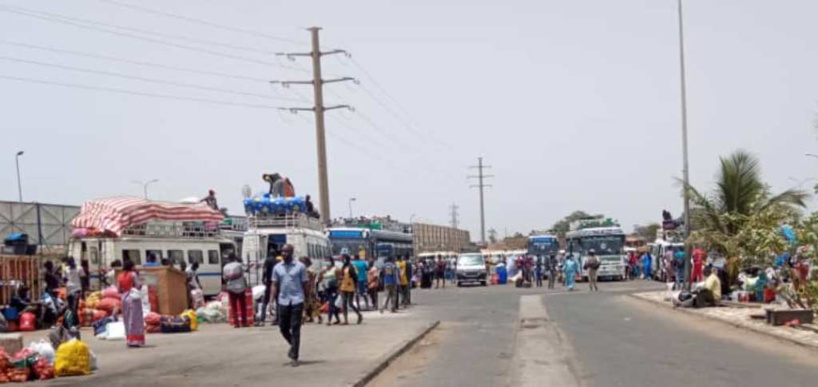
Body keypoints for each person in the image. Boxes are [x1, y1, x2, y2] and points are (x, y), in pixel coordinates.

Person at [272, 245, 308, 367]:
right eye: (282, 251)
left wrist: (307, 300)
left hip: (297, 300)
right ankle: (293, 346)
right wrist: (271, 300)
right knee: (283, 327)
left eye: (286, 251)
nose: (284, 253)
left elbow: (305, 284)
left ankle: (294, 356)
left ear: (291, 253)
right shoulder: (277, 268)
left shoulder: (300, 267)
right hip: (283, 300)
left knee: (295, 328)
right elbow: (274, 284)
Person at [117, 259, 145, 347]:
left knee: (127, 318)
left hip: (124, 298)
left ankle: (129, 339)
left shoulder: (120, 276)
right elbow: (138, 286)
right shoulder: (133, 274)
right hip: (133, 298)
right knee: (135, 319)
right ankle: (136, 340)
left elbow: (119, 289)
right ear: (132, 267)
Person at [222, 254, 248, 328]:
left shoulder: (225, 267)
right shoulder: (239, 265)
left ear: (228, 259)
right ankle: (244, 322)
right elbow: (245, 272)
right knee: (242, 305)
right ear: (234, 258)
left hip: (231, 288)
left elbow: (224, 278)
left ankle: (236, 323)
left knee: (234, 307)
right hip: (241, 288)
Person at [63, 257, 85, 335]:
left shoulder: (79, 268)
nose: (70, 264)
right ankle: (75, 323)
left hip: (77, 289)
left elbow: (83, 280)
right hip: (69, 290)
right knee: (70, 307)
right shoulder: (66, 269)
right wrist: (65, 282)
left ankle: (75, 324)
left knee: (74, 307)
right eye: (69, 263)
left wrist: (83, 292)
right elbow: (64, 279)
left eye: (71, 262)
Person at [339, 255, 363, 325]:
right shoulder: (343, 267)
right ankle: (346, 320)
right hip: (343, 285)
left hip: (350, 285)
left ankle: (359, 315)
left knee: (350, 303)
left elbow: (355, 277)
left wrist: (356, 287)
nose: (342, 260)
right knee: (344, 302)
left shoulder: (351, 267)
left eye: (343, 259)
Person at [257, 251, 278, 327]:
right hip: (276, 283)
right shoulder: (277, 261)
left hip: (269, 283)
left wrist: (263, 278)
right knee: (278, 301)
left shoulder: (267, 260)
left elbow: (265, 270)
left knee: (265, 301)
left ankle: (262, 320)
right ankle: (277, 319)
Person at [300, 257, 322, 324]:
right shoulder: (303, 270)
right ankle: (305, 318)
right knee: (304, 304)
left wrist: (311, 289)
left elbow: (312, 282)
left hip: (309, 289)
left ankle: (319, 317)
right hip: (304, 289)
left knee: (312, 304)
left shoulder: (310, 271)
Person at [322, 257, 341, 325]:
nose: (327, 263)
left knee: (331, 304)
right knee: (333, 305)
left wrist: (338, 289)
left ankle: (329, 320)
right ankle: (338, 319)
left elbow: (339, 279)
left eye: (328, 261)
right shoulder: (325, 270)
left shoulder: (336, 269)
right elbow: (320, 279)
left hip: (334, 289)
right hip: (327, 289)